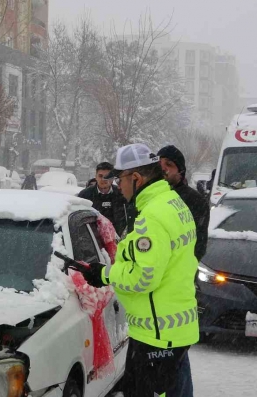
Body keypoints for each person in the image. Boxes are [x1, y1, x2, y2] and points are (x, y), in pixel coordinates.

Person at [76, 143, 199, 397]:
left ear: (136, 178)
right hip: (175, 327)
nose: (119, 187)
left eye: (120, 179)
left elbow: (144, 277)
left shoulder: (151, 218)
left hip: (156, 333)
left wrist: (104, 274)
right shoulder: (172, 202)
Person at [158, 145, 210, 261]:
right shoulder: (150, 196)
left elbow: (199, 245)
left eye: (169, 164)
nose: (162, 168)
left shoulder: (196, 201)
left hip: (180, 272)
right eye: (159, 164)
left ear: (180, 171)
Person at [78, 162, 128, 237]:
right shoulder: (85, 195)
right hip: (93, 240)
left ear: (112, 178)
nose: (103, 179)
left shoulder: (122, 194)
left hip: (118, 239)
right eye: (100, 176)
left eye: (107, 177)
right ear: (96, 176)